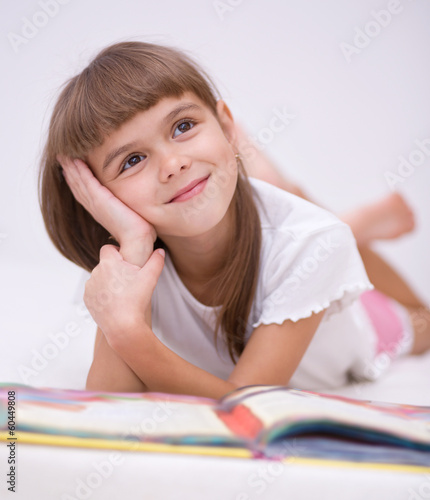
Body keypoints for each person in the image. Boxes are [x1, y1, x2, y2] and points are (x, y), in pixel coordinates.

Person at [40, 41, 430, 398]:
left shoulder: (312, 243)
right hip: (286, 239)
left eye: (183, 126)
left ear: (227, 127)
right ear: (99, 197)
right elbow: (108, 406)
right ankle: (288, 194)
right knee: (296, 231)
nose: (174, 164)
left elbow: (246, 405)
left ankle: (340, 220)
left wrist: (128, 334)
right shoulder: (128, 262)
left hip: (369, 326)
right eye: (133, 160)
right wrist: (133, 250)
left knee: (421, 321)